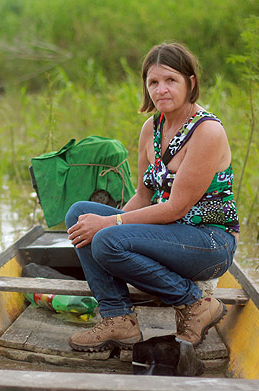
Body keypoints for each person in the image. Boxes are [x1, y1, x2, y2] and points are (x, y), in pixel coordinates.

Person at [64, 42, 239, 352]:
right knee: (79, 213)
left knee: (107, 239)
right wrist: (104, 223)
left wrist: (109, 223)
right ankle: (119, 318)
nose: (161, 90)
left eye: (171, 80)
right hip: (169, 235)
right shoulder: (151, 128)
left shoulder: (207, 132)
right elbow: (143, 197)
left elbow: (175, 208)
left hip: (209, 243)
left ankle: (195, 303)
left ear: (190, 83)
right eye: (153, 82)